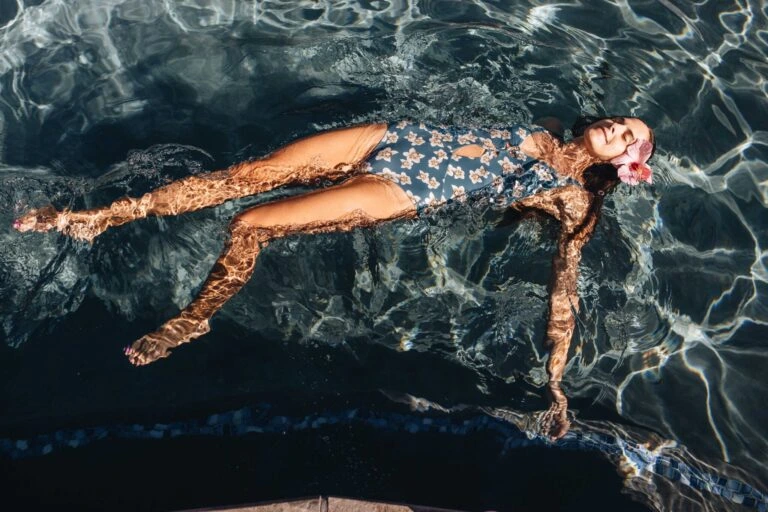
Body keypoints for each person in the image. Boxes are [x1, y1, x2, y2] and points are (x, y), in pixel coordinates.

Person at [13, 115, 655, 439]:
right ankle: (99, 218)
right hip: (392, 138)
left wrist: (555, 383)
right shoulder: (546, 131)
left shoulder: (574, 201)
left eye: (627, 136)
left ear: (622, 163)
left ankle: (195, 318)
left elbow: (563, 290)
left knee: (250, 224)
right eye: (620, 120)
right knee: (243, 177)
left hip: (402, 189)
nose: (617, 128)